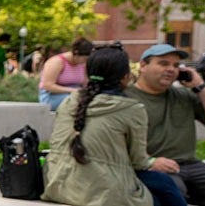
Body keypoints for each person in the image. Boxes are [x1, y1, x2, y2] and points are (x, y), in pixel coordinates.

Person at [43, 45, 184, 206]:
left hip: (58, 184)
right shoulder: (131, 109)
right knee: (164, 184)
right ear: (125, 76)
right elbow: (139, 162)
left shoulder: (69, 101)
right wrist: (153, 162)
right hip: (104, 192)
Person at [127, 44, 205, 205]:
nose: (171, 69)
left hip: (190, 164)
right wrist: (150, 161)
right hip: (150, 167)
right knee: (172, 192)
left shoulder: (184, 95)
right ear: (143, 66)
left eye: (175, 65)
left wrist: (200, 86)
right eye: (163, 63)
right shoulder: (126, 99)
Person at [40, 38, 95, 111]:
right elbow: (47, 85)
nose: (85, 62)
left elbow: (85, 83)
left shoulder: (83, 64)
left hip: (75, 93)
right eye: (84, 59)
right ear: (76, 53)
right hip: (52, 95)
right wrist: (72, 90)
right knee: (75, 102)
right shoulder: (56, 62)